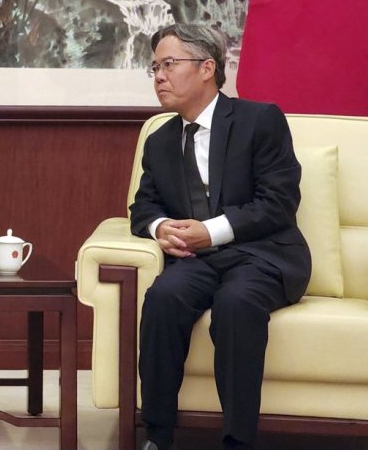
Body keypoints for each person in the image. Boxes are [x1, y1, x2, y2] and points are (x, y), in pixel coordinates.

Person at [129, 23, 310, 450]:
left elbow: (279, 202)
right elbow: (143, 207)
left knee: (235, 304)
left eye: (168, 65)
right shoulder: (159, 140)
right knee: (163, 297)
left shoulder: (259, 120)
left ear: (207, 68)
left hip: (261, 254)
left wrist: (209, 232)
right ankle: (157, 435)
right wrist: (161, 228)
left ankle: (238, 441)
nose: (158, 77)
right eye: (155, 67)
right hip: (198, 261)